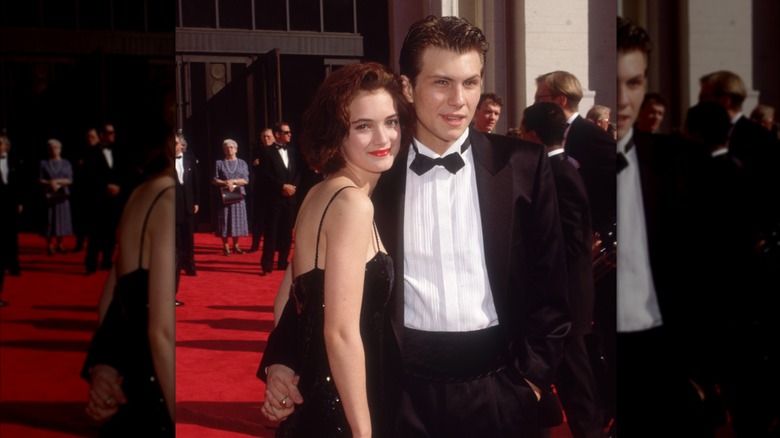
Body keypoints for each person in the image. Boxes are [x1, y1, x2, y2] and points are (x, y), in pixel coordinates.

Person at [262, 15, 569, 437]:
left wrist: (530, 383)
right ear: (407, 87)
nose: (459, 100)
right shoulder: (374, 173)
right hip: (397, 393)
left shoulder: (522, 166)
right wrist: (282, 358)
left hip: (499, 389)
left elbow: (554, 287)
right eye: (442, 82)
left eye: (471, 82)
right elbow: (313, 284)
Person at [260, 61, 413, 437]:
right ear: (336, 134)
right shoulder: (353, 204)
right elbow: (340, 333)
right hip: (344, 409)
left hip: (319, 397)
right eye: (363, 126)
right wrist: (363, 432)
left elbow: (287, 298)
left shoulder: (321, 192)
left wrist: (282, 365)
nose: (383, 138)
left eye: (390, 122)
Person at [617, 16, 721, 437]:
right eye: (614, 81)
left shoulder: (684, 165)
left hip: (665, 358)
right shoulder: (562, 168)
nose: (624, 100)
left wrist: (701, 374)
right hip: (599, 360)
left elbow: (714, 271)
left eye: (635, 83)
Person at [81, 132, 175, 437]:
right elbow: (160, 333)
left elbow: (109, 300)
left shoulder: (142, 193)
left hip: (135, 385)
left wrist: (104, 367)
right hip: (159, 389)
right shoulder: (168, 199)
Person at [522, 102, 604, 438]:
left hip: (566, 303)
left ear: (534, 135)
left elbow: (572, 246)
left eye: (524, 131)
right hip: (557, 302)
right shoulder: (556, 171)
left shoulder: (562, 175)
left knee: (576, 384)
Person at [81, 122, 125, 274]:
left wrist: (119, 187)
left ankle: (107, 261)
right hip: (97, 200)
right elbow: (88, 176)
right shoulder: (91, 153)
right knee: (95, 234)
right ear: (101, 135)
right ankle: (91, 264)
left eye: (113, 132)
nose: (113, 135)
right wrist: (105, 186)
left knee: (111, 234)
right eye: (109, 132)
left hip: (114, 201)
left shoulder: (118, 152)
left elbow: (123, 172)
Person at [258, 122, 301, 275]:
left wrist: (292, 187)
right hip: (274, 199)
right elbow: (265, 174)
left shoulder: (292, 151)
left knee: (287, 233)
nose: (290, 135)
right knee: (271, 232)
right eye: (286, 132)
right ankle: (267, 264)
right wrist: (282, 186)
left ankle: (283, 262)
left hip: (290, 199)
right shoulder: (266, 151)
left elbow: (297, 172)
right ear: (278, 134)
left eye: (290, 132)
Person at [175, 132, 200, 306]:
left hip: (189, 205)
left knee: (189, 239)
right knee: (175, 244)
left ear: (181, 145)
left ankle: (190, 266)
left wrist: (197, 201)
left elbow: (196, 182)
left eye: (175, 143)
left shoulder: (189, 160)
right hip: (173, 209)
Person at [212, 139, 249, 256]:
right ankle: (225, 246)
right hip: (224, 196)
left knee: (237, 220)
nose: (229, 149)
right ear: (224, 150)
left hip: (239, 196)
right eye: (227, 147)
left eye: (232, 147)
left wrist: (233, 181)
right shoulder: (219, 163)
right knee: (224, 220)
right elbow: (214, 179)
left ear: (236, 149)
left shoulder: (242, 163)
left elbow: (245, 180)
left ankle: (236, 245)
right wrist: (226, 183)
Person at [39, 138, 74, 255]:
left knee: (61, 219)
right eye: (51, 148)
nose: (53, 150)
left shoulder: (66, 163)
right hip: (49, 195)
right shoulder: (43, 163)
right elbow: (40, 179)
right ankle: (49, 244)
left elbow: (70, 179)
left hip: (62, 195)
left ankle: (60, 243)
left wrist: (57, 182)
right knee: (49, 220)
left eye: (55, 148)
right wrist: (50, 183)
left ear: (60, 149)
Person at [0, 133, 23, 307]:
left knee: (11, 237)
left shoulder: (14, 162)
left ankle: (12, 264)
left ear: (6, 146)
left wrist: (20, 201)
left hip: (9, 206)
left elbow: (17, 184)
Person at [249, 128, 275, 253]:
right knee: (258, 219)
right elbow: (255, 169)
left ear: (274, 137)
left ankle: (275, 245)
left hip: (275, 190)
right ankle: (255, 245)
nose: (265, 139)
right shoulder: (257, 151)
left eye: (268, 136)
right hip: (260, 189)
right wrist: (256, 165)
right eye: (263, 136)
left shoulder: (277, 151)